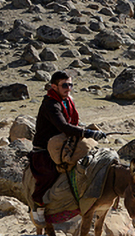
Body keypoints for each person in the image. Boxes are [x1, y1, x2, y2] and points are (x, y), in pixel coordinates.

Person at [29, 71, 106, 223]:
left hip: (64, 141)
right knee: (48, 175)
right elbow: (63, 126)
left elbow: (72, 124)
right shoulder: (50, 104)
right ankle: (37, 206)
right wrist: (87, 132)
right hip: (45, 147)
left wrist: (88, 132)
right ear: (53, 86)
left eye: (70, 84)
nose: (68, 88)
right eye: (64, 85)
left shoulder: (67, 100)